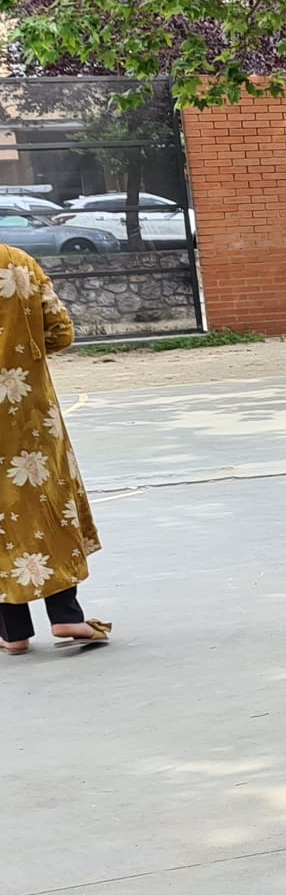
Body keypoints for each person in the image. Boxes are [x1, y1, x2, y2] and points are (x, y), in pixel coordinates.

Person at [1, 243, 110, 655]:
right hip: (28, 408)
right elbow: (60, 331)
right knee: (44, 501)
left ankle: (12, 631)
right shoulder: (19, 262)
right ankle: (66, 614)